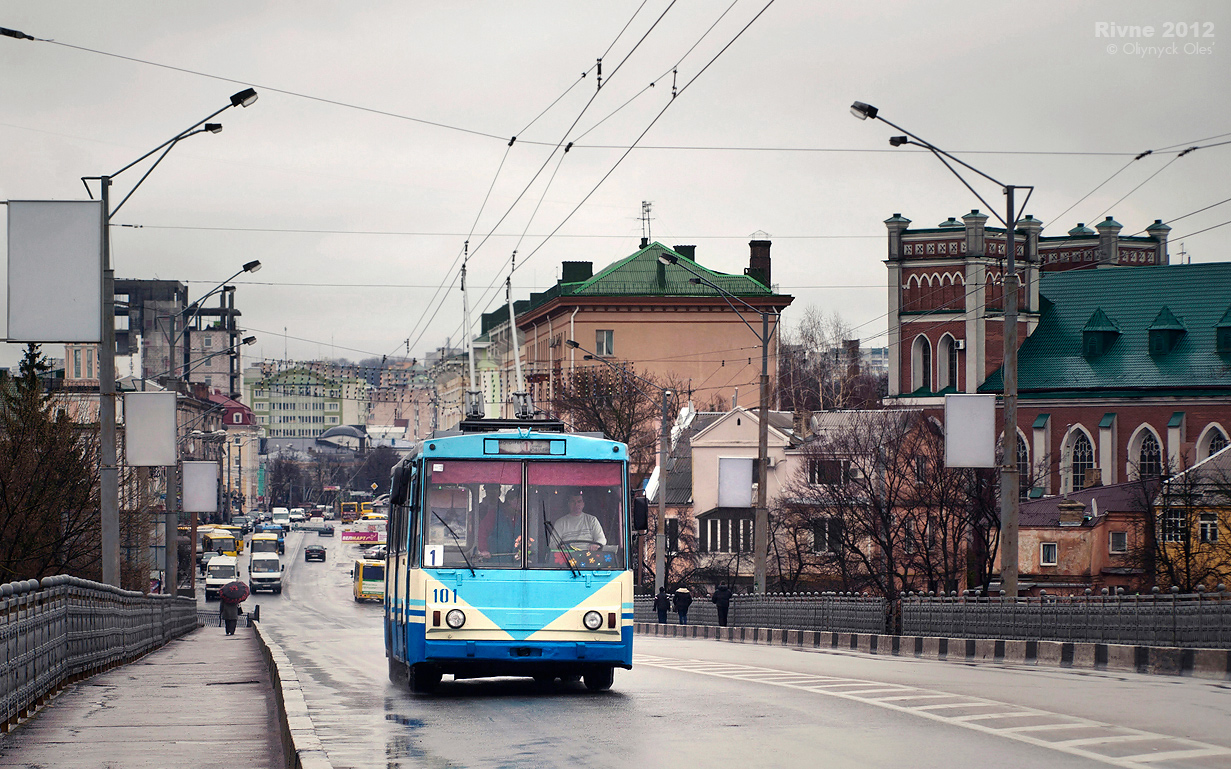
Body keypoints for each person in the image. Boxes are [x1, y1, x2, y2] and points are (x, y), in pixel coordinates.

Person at [477, 491, 523, 564]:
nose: (520, 503)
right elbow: (482, 531)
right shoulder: (494, 514)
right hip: (495, 559)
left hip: (517, 561)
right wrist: (483, 550)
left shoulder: (522, 517)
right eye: (518, 500)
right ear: (509, 501)